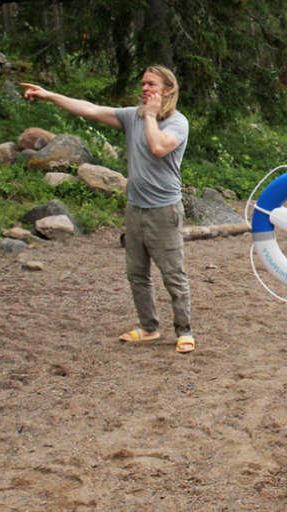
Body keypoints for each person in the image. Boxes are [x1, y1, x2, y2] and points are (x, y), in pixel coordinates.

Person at [20, 66, 195, 354]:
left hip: (164, 210)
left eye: (151, 84)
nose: (144, 89)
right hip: (135, 208)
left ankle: (184, 330)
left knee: (172, 273)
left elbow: (159, 147)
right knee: (137, 273)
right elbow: (89, 109)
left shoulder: (177, 122)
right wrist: (49, 95)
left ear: (168, 90)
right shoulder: (133, 116)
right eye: (142, 84)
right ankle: (149, 328)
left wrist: (150, 115)